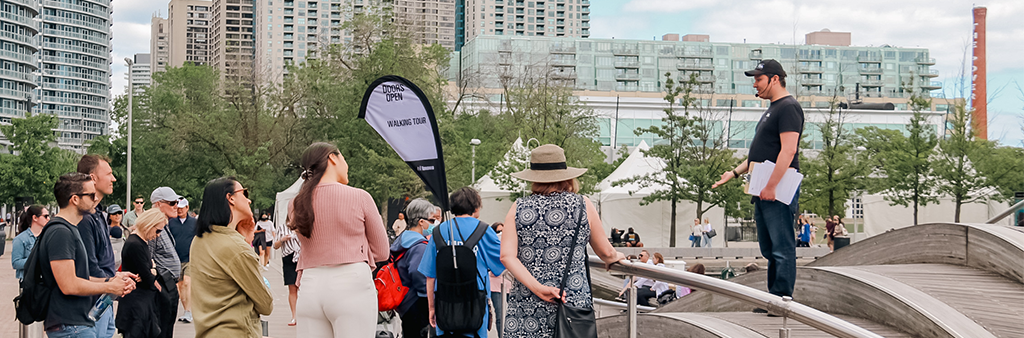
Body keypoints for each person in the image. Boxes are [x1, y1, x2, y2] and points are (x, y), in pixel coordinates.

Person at [500, 144, 624, 338]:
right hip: (571, 303)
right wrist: (617, 256)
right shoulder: (583, 204)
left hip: (527, 305)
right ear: (567, 176)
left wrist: (538, 288)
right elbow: (606, 253)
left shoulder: (519, 207)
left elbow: (507, 256)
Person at [713, 59, 804, 307]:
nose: (755, 84)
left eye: (758, 79)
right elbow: (760, 154)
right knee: (768, 246)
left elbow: (788, 151)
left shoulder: (788, 108)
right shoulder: (772, 109)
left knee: (781, 246)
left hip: (777, 188)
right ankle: (774, 296)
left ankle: (782, 299)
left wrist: (772, 186)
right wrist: (733, 172)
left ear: (775, 79)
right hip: (762, 186)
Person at [288, 142, 389, 337]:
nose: (346, 165)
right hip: (351, 283)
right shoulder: (360, 197)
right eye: (344, 158)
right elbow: (382, 251)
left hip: (310, 285)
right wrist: (356, 251)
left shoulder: (296, 203)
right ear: (332, 158)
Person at [40, 173, 137, 338]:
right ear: (75, 199)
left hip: (77, 323)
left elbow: (79, 276)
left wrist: (112, 279)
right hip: (71, 325)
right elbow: (68, 285)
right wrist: (109, 287)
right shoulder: (61, 232)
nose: (96, 199)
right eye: (91, 195)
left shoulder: (69, 228)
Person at [190, 177, 273, 337]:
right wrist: (246, 243)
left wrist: (244, 238)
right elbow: (266, 305)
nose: (248, 200)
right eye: (244, 193)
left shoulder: (199, 240)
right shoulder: (236, 248)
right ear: (231, 198)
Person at [419, 186, 504, 338]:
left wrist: (431, 308)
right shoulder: (484, 230)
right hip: (475, 303)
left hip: (444, 303)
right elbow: (502, 261)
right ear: (475, 206)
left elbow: (430, 276)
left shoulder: (438, 232)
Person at [76, 154, 120, 338]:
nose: (113, 178)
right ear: (93, 178)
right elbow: (89, 267)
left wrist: (117, 278)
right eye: (109, 173)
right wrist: (113, 284)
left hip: (104, 300)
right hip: (91, 304)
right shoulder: (84, 218)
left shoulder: (98, 213)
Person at [116, 209, 169, 338]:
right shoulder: (136, 244)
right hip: (136, 305)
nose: (158, 235)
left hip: (139, 303)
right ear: (149, 225)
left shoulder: (140, 242)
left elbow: (147, 273)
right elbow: (147, 278)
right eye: (158, 231)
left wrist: (151, 270)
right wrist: (152, 270)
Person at [390, 199, 433, 338]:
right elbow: (418, 272)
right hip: (416, 302)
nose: (433, 224)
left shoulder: (403, 239)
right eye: (431, 220)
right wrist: (428, 296)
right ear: (421, 221)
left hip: (403, 299)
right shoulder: (419, 246)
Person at [149, 187, 182, 338]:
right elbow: (147, 258)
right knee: (161, 330)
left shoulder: (164, 225)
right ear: (157, 204)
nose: (176, 206)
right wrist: (156, 285)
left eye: (177, 202)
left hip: (170, 285)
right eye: (171, 202)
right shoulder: (151, 227)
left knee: (168, 329)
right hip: (161, 286)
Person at [169, 198, 197, 323]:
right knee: (180, 286)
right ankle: (185, 310)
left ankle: (189, 312)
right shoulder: (171, 223)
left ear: (187, 208)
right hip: (175, 259)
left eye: (182, 207)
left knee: (187, 282)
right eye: (178, 208)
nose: (180, 210)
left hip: (190, 258)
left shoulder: (194, 223)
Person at [273, 214, 301, 326]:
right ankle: (294, 316)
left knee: (303, 287)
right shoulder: (282, 228)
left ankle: (303, 315)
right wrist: (282, 239)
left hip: (302, 257)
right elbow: (275, 245)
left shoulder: (303, 227)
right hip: (288, 258)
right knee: (292, 288)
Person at [12, 205, 48, 280]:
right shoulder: (20, 239)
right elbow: (16, 263)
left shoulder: (48, 236)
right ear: (35, 218)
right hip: (29, 281)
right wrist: (35, 259)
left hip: (46, 281)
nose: (48, 219)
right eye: (45, 216)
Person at [107, 205, 125, 269]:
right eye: (114, 213)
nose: (117, 215)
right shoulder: (105, 231)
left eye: (119, 213)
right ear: (109, 216)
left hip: (124, 262)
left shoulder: (126, 230)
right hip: (111, 262)